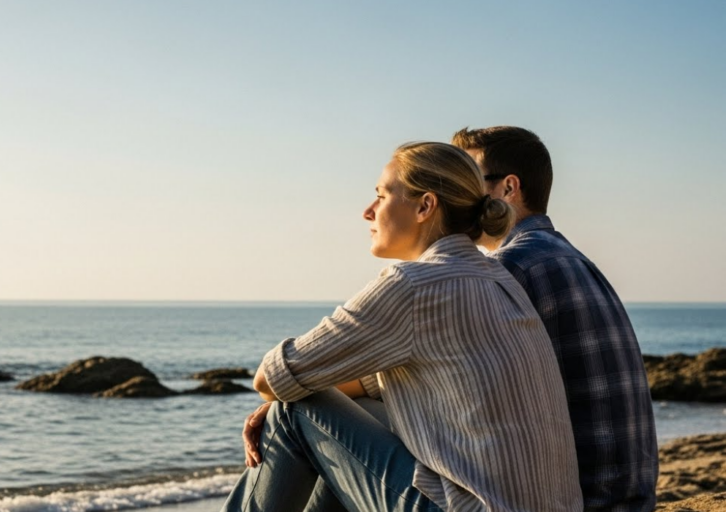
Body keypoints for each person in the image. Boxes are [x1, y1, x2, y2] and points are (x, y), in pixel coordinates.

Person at [221, 142, 582, 512]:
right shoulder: (498, 281)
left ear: (425, 206)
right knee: (355, 409)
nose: (368, 211)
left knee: (292, 411)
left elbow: (270, 378)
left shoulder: (414, 283)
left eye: (381, 195)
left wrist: (289, 395)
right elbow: (375, 384)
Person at [451, 126, 658, 512]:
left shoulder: (510, 267)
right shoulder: (569, 257)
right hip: (628, 500)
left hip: (581, 502)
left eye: (467, 180)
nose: (456, 192)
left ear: (507, 188)